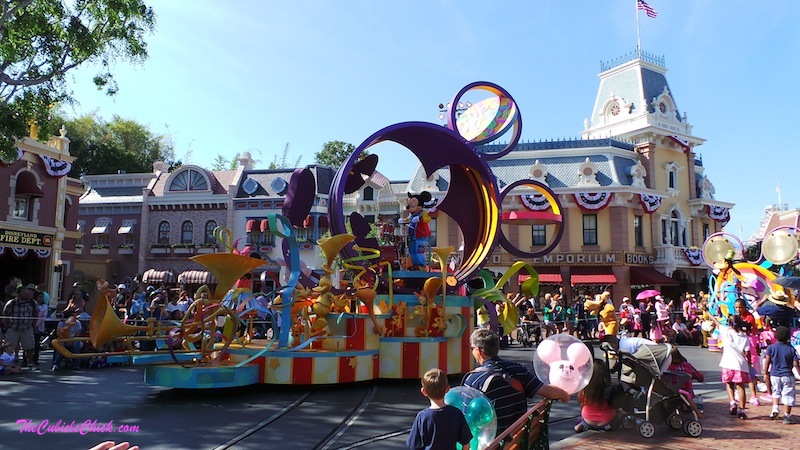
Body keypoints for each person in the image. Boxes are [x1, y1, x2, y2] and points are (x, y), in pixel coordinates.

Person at [463, 329, 569, 436]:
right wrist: (564, 394)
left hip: (493, 441)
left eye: (472, 348)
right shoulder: (517, 369)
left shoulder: (474, 379)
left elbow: (466, 419)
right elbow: (546, 390)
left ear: (479, 351)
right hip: (518, 437)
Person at [406, 368, 472, 450]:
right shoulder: (456, 414)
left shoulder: (422, 417)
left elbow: (414, 446)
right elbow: (466, 444)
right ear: (447, 389)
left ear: (424, 391)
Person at [708, 310, 752, 419]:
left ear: (730, 323)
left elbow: (715, 320)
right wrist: (749, 364)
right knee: (741, 387)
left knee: (729, 384)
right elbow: (747, 353)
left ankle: (732, 402)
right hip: (741, 365)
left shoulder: (726, 331)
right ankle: (742, 410)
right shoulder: (744, 336)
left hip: (727, 363)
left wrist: (706, 311)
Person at [763, 326, 800, 424]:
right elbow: (796, 363)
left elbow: (767, 360)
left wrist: (766, 372)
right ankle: (787, 416)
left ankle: (775, 408)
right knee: (788, 394)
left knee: (776, 391)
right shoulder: (791, 349)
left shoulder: (771, 347)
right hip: (787, 375)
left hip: (774, 375)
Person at [2, 284, 40, 370]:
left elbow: (36, 314)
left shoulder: (33, 303)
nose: (27, 294)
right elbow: (6, 315)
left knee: (29, 347)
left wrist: (33, 324)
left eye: (27, 292)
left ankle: (30, 363)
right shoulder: (11, 303)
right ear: (19, 294)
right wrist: (6, 328)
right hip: (13, 328)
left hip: (27, 328)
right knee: (9, 346)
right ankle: (7, 363)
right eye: (24, 293)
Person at [574, 359, 615, 433]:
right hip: (606, 421)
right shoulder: (610, 387)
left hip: (588, 420)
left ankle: (583, 423)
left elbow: (579, 400)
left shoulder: (586, 387)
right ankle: (606, 426)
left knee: (584, 402)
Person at [666, 347, 704, 417]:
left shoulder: (667, 368)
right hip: (686, 394)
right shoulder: (687, 366)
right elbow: (700, 378)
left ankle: (682, 407)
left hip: (670, 393)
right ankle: (697, 413)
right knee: (686, 392)